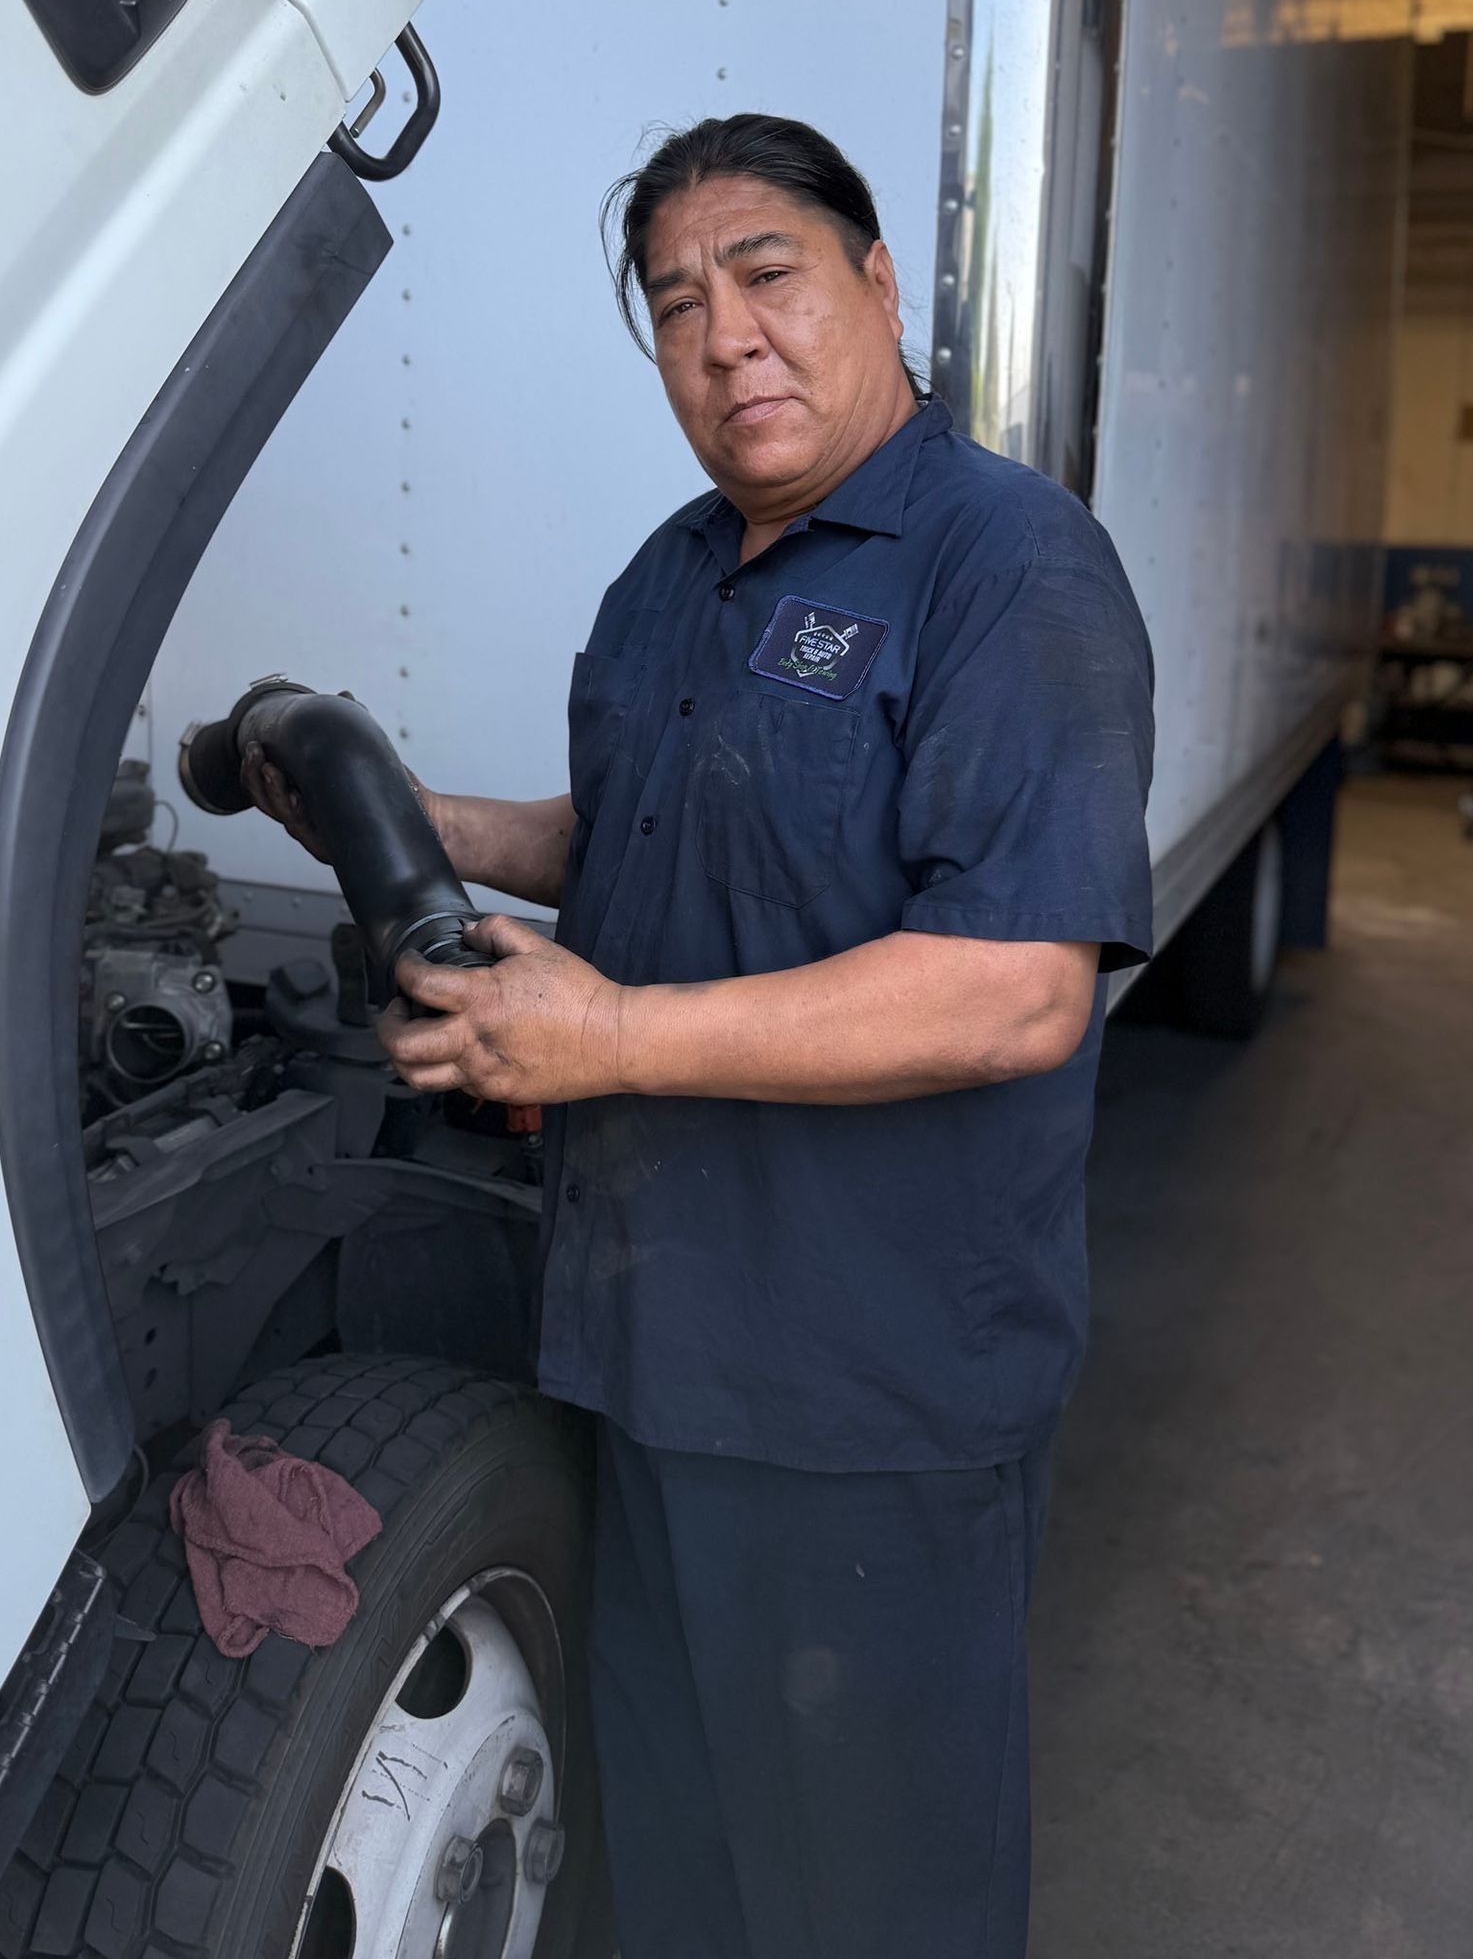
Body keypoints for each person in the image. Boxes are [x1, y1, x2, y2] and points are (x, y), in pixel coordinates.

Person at [247, 113, 1154, 1959]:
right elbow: (652, 828)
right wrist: (427, 819)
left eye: (769, 278)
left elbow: (1018, 980)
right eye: (677, 304)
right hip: (650, 1362)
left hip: (866, 1402)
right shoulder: (674, 575)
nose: (727, 336)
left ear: (878, 286)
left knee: (864, 1903)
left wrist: (614, 1035)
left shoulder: (1006, 569)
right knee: (676, 1878)